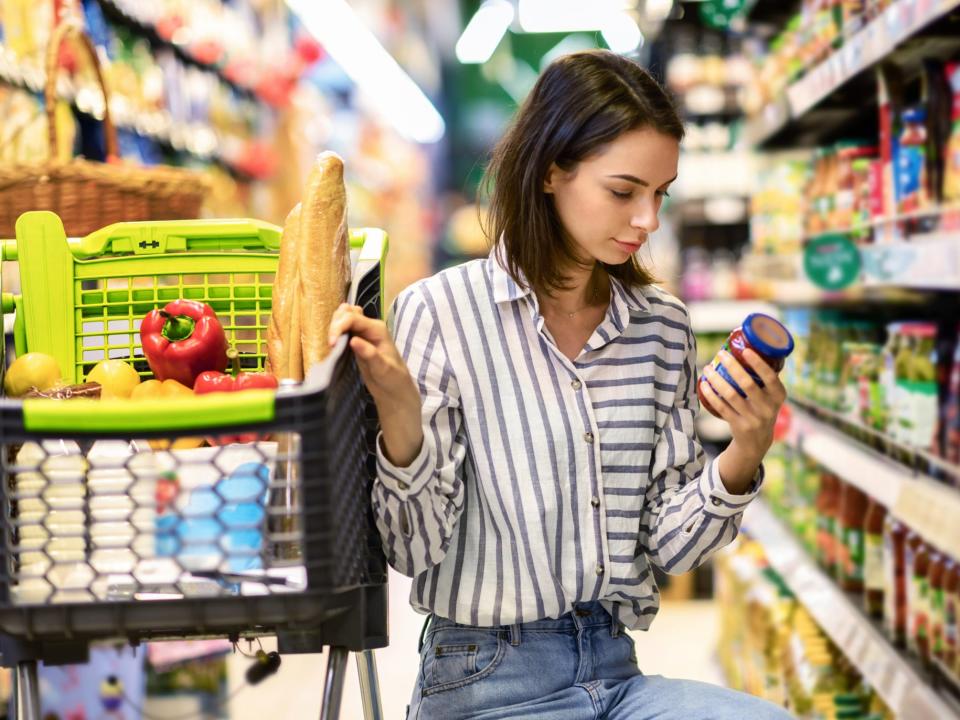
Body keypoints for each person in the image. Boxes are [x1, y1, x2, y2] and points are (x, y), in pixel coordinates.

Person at [330, 50, 791, 720]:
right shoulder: (442, 311)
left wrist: (744, 451)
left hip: (616, 666)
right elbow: (412, 549)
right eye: (623, 191)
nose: (648, 221)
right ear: (551, 171)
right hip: (482, 676)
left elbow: (670, 547)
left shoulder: (661, 328)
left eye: (660, 194)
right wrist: (400, 420)